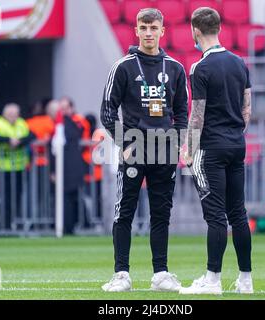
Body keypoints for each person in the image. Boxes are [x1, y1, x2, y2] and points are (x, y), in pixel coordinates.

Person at [100, 8, 188, 292]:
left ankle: (160, 273)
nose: (148, 33)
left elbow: (183, 111)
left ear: (163, 30)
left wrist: (179, 143)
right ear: (136, 30)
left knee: (161, 213)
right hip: (134, 147)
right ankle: (121, 274)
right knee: (124, 211)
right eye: (143, 27)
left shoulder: (175, 68)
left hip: (164, 150)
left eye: (153, 28)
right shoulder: (123, 67)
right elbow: (107, 112)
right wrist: (125, 143)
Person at [179, 7, 253, 295]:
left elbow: (197, 114)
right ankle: (245, 280)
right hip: (236, 144)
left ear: (195, 31)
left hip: (211, 147)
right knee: (238, 213)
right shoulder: (239, 62)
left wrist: (188, 149)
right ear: (220, 28)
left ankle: (212, 279)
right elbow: (247, 108)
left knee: (215, 217)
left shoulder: (201, 68)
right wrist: (235, 133)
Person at [0, 103, 35, 231]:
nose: (13, 117)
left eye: (15, 114)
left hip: (19, 167)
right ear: (4, 114)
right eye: (10, 114)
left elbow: (32, 135)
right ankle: (4, 224)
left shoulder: (21, 123)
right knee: (4, 198)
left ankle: (14, 222)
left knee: (17, 197)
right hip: (3, 167)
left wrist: (19, 142)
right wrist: (8, 140)